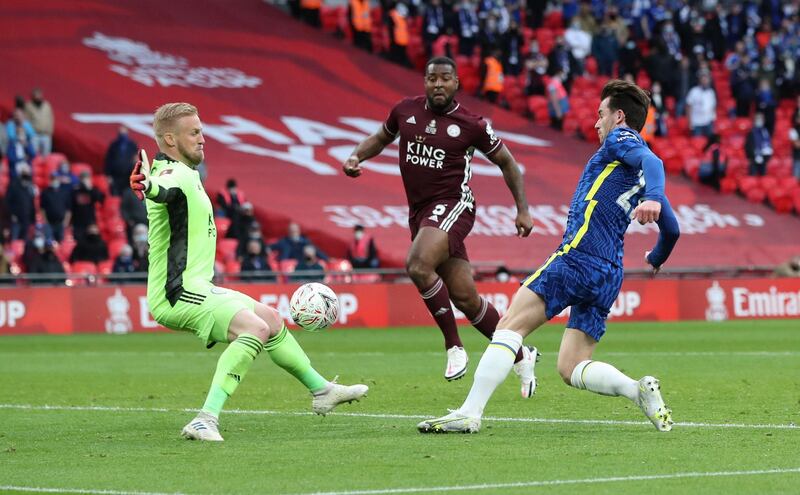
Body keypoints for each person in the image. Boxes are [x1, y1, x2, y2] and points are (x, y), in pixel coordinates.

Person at [418, 79, 680, 434]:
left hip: (579, 256)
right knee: (571, 367)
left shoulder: (623, 140)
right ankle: (637, 391)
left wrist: (654, 196)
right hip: (608, 272)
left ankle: (469, 412)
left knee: (509, 326)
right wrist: (657, 256)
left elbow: (654, 160)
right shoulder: (634, 170)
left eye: (600, 114)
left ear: (619, 116)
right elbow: (673, 229)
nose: (595, 122)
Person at [129, 102, 367, 441]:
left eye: (202, 131)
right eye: (194, 132)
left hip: (197, 284)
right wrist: (146, 186)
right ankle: (205, 418)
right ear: (169, 138)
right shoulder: (170, 175)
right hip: (177, 291)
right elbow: (160, 190)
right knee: (253, 328)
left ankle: (322, 390)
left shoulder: (187, 173)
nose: (202, 139)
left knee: (270, 319)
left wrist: (148, 186)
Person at [343, 57, 539, 395]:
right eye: (431, 78)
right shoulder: (405, 111)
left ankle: (454, 346)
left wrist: (523, 209)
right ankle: (522, 355)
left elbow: (507, 162)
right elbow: (380, 137)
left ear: (456, 84)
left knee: (417, 265)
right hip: (421, 213)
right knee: (466, 298)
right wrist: (357, 156)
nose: (437, 84)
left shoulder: (472, 124)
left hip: (454, 206)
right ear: (424, 82)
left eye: (445, 78)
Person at [104, 126, 139, 196]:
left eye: (124, 132)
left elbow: (136, 159)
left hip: (128, 175)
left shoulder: (132, 145)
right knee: (115, 194)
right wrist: (108, 175)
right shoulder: (114, 145)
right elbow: (108, 160)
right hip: (115, 175)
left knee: (127, 193)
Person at [24, 88, 54, 157]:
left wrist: (50, 131)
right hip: (35, 134)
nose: (38, 97)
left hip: (46, 134)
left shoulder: (46, 105)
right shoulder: (28, 106)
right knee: (34, 154)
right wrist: (29, 133)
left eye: (39, 96)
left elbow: (51, 118)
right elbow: (26, 121)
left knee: (46, 155)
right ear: (32, 97)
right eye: (36, 96)